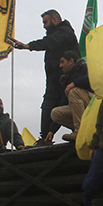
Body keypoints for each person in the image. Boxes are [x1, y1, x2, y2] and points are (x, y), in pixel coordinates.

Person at [12, 9, 79, 145]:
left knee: (65, 104)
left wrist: (28, 46)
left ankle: (77, 131)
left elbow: (49, 42)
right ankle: (45, 137)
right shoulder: (54, 37)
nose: (44, 26)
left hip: (68, 79)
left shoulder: (65, 32)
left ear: (54, 20)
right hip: (53, 80)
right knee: (48, 105)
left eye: (45, 22)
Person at [50, 50, 94, 142]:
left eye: (62, 62)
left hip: (94, 104)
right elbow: (63, 103)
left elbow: (93, 77)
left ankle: (80, 132)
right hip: (81, 109)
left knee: (74, 92)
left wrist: (74, 84)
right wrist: (51, 131)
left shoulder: (84, 68)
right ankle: (87, 129)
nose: (60, 66)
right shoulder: (66, 79)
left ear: (71, 61)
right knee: (55, 113)